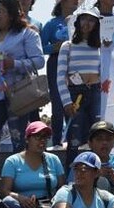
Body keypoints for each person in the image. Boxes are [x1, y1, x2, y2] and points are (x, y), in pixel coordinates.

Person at [0, 0, 43, 176]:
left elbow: (39, 61)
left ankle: (19, 181)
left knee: (18, 140)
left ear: (12, 14)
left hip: (18, 94)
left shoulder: (27, 34)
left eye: (1, 12)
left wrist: (15, 63)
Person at [0, 120, 65, 208]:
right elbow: (4, 191)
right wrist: (21, 198)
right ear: (27, 139)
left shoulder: (54, 160)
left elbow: (63, 188)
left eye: (45, 137)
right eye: (37, 137)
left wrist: (54, 201)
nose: (42, 141)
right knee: (8, 202)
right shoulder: (12, 161)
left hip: (48, 207)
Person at [55, 7, 102, 162]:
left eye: (91, 20)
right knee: (74, 139)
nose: (86, 24)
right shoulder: (67, 46)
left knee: (97, 136)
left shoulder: (101, 47)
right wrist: (67, 102)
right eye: (83, 19)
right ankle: (72, 177)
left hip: (95, 94)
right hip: (75, 95)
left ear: (96, 24)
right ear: (77, 22)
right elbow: (60, 77)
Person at [40, 0, 79, 147]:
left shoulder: (81, 20)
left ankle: (75, 140)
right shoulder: (51, 24)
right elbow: (41, 48)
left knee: (76, 101)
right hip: (56, 64)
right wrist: (54, 48)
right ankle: (57, 141)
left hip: (77, 64)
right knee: (58, 103)